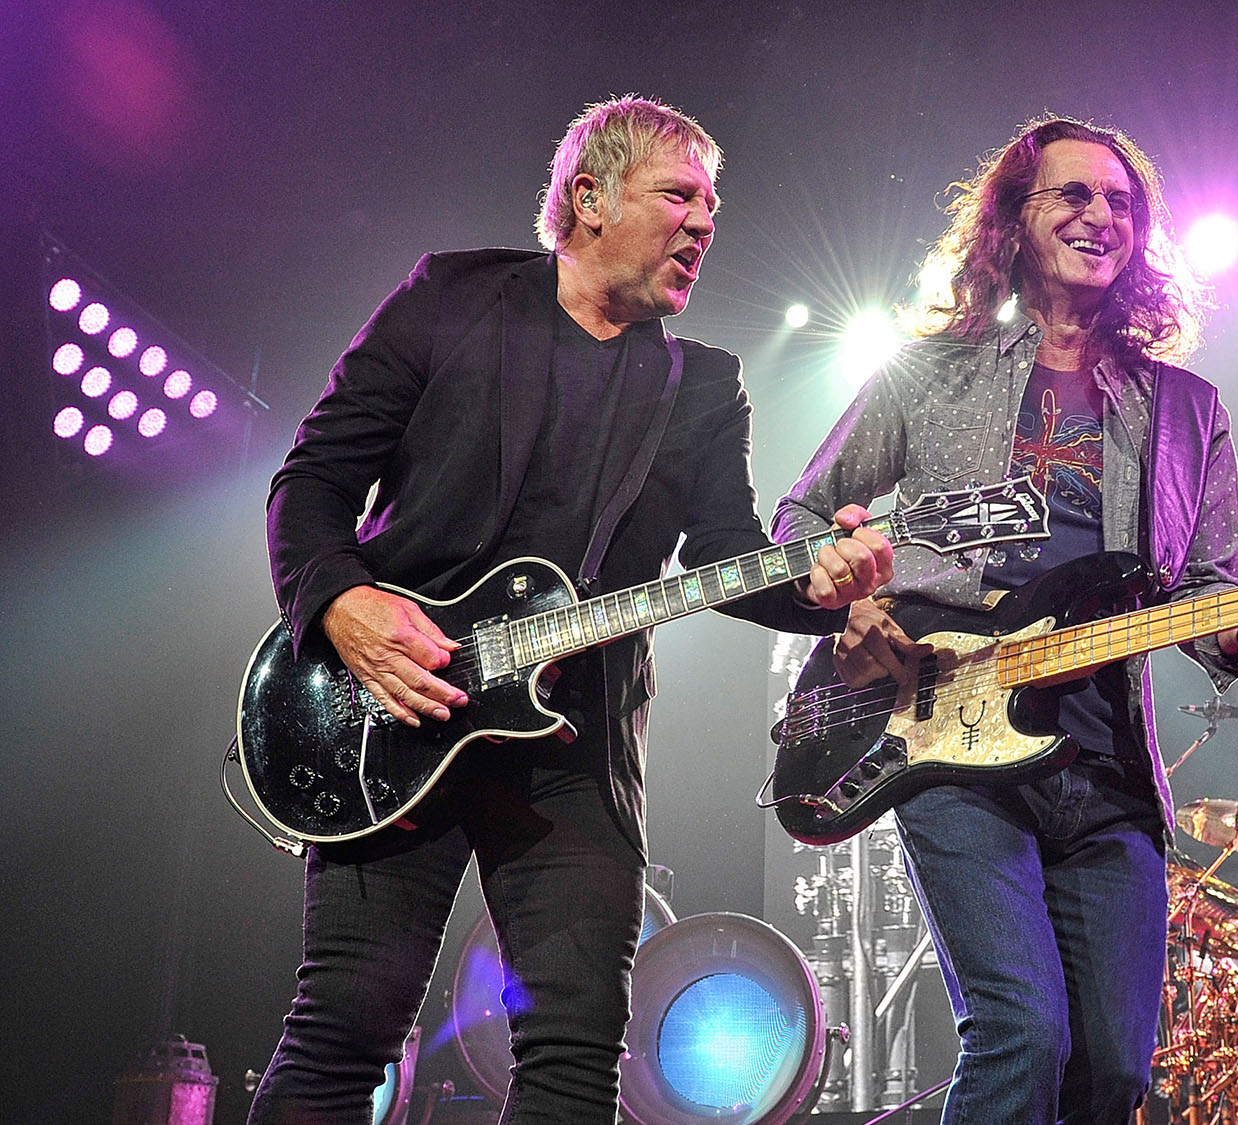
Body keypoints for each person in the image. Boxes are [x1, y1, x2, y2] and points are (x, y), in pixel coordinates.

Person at [247, 97, 892, 1124]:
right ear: (587, 198)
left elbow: (726, 555)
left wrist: (820, 584)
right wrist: (343, 603)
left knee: (576, 1054)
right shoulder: (449, 299)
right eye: (679, 194)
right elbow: (313, 481)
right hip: (389, 709)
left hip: (569, 747)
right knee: (345, 1030)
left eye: (714, 208)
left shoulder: (703, 385)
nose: (704, 223)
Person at [774, 116, 1238, 1123]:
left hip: (1106, 765)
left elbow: (1205, 593)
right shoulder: (928, 374)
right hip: (949, 740)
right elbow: (805, 516)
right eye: (1074, 195)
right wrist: (852, 598)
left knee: (1115, 1074)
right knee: (1023, 1033)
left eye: (1122, 203)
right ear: (1013, 221)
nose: (1100, 216)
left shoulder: (1186, 409)